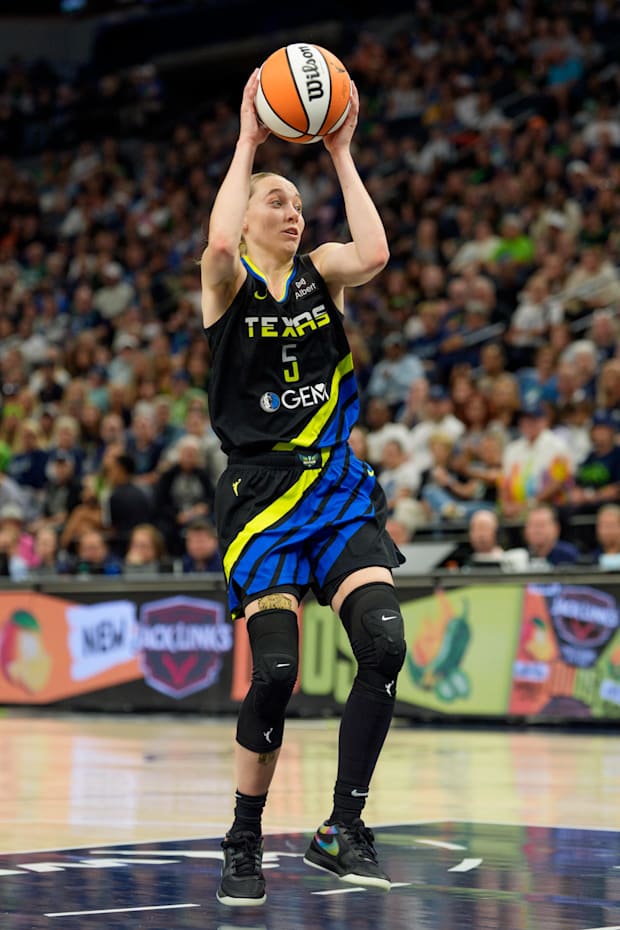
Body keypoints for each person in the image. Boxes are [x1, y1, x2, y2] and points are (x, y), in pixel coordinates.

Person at [200, 71, 405, 906]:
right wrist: (249, 144)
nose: (294, 211)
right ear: (248, 219)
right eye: (276, 202)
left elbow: (379, 252)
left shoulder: (325, 271)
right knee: (276, 673)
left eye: (296, 202)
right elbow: (214, 249)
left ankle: (340, 828)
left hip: (336, 487)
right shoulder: (228, 283)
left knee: (384, 648)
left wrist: (343, 153)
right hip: (262, 499)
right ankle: (243, 836)